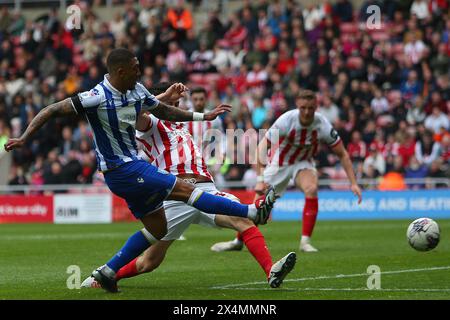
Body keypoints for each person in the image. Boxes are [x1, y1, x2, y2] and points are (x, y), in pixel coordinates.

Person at [3, 48, 276, 293]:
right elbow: (51, 109)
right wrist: (26, 136)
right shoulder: (95, 97)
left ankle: (107, 272)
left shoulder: (137, 91)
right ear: (120, 72)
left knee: (158, 229)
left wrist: (202, 116)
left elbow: (164, 111)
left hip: (132, 170)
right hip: (122, 168)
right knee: (184, 189)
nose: (139, 71)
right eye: (135, 68)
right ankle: (252, 211)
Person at [80, 83, 296, 290]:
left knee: (243, 221)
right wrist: (161, 99)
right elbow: (135, 115)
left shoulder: (180, 124)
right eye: (172, 101)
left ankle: (271, 271)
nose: (177, 104)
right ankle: (106, 275)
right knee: (150, 261)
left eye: (177, 101)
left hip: (205, 190)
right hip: (177, 193)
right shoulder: (150, 123)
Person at [211, 89, 362, 253]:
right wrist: (261, 179)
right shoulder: (286, 120)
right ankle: (238, 241)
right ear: (298, 105)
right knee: (258, 207)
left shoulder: (322, 124)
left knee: (311, 188)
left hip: (303, 163)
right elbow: (262, 147)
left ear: (316, 107)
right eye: (303, 107)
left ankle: (305, 242)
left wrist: (353, 183)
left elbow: (343, 154)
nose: (306, 112)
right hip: (279, 164)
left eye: (310, 108)